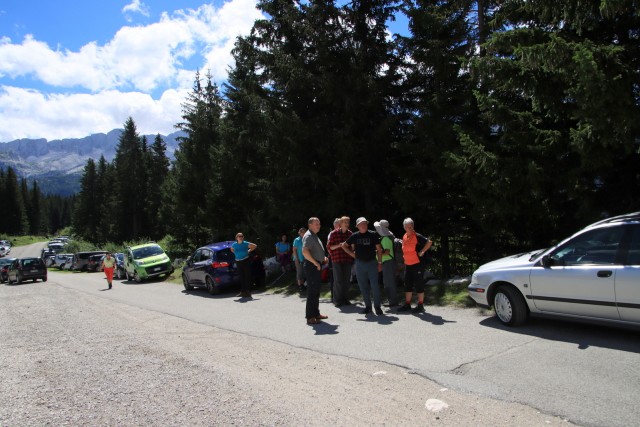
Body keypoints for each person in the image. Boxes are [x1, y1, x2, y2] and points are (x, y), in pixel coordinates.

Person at [342, 217, 384, 315]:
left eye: (365, 223)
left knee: (375, 286)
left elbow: (379, 249)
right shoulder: (355, 236)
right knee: (363, 286)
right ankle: (368, 307)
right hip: (360, 264)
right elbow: (344, 245)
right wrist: (353, 255)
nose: (363, 225)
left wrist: (380, 263)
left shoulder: (373, 234)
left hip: (372, 263)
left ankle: (377, 307)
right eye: (361, 224)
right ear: (357, 226)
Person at [397, 218, 432, 313]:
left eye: (411, 226)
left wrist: (422, 251)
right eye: (408, 226)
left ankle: (420, 305)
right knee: (407, 284)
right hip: (408, 264)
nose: (410, 228)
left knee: (419, 284)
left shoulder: (417, 236)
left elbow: (429, 242)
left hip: (417, 264)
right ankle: (407, 304)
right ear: (404, 227)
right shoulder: (404, 236)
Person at [302, 217, 328, 325]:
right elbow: (304, 252)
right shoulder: (308, 235)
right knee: (312, 291)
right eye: (316, 223)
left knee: (316, 290)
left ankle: (316, 313)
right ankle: (310, 317)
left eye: (319, 223)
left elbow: (315, 250)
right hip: (312, 266)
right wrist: (315, 262)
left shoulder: (314, 235)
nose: (319, 225)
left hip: (315, 265)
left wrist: (323, 258)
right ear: (310, 225)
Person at [327, 216, 353, 307]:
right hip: (337, 260)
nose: (346, 224)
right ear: (340, 224)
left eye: (347, 222)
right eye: (345, 222)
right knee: (338, 280)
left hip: (347, 259)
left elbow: (352, 247)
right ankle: (337, 300)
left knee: (346, 280)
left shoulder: (350, 234)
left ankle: (345, 299)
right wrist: (339, 245)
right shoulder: (334, 234)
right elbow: (330, 247)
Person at [374, 219, 399, 306]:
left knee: (389, 282)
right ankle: (391, 301)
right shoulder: (388, 237)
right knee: (388, 282)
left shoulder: (385, 238)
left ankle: (393, 302)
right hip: (388, 262)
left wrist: (377, 253)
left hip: (388, 262)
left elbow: (387, 252)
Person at [230, 232, 258, 299]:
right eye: (239, 236)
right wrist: (236, 254)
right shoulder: (234, 245)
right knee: (241, 277)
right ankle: (243, 292)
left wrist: (249, 251)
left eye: (242, 236)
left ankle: (248, 292)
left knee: (247, 276)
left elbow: (255, 246)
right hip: (238, 261)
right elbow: (232, 249)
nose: (241, 237)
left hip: (245, 260)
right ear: (236, 238)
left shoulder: (245, 243)